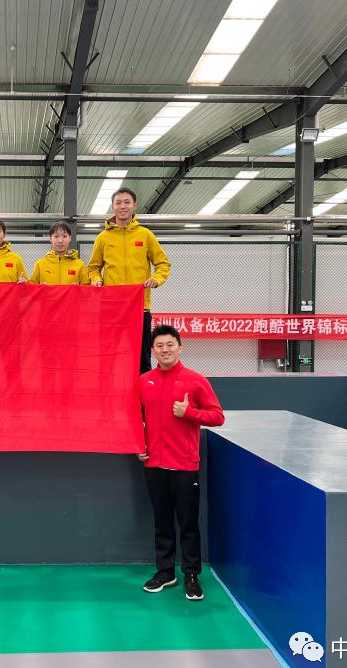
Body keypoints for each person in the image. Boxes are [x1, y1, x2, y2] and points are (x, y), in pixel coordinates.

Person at [139, 325, 224, 601]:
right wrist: (138, 446)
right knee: (162, 522)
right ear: (152, 351)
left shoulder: (195, 380)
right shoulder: (144, 382)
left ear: (179, 348)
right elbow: (134, 420)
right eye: (159, 346)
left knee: (188, 523)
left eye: (170, 345)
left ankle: (191, 575)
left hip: (185, 466)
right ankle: (166, 572)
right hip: (154, 465)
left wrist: (189, 412)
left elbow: (217, 416)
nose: (165, 350)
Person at [88, 187, 171, 374]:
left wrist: (156, 279)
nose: (122, 206)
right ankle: (110, 392)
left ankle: (142, 393)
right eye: (118, 203)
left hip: (140, 307)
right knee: (109, 357)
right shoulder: (103, 238)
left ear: (135, 206)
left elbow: (163, 263)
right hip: (111, 309)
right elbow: (93, 267)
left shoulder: (145, 235)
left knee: (142, 359)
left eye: (127, 202)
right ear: (112, 207)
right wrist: (96, 280)